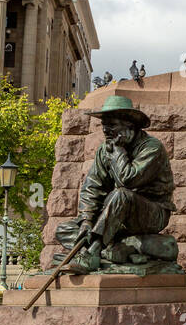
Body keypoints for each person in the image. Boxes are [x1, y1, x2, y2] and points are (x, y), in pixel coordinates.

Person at [54, 96, 175, 273]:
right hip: (114, 216)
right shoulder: (105, 149)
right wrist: (87, 220)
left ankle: (92, 254)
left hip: (151, 214)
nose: (105, 129)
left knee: (121, 194)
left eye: (111, 125)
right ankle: (121, 248)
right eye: (104, 124)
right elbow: (92, 187)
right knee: (65, 230)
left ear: (129, 126)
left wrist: (119, 151)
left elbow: (128, 180)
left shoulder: (151, 148)